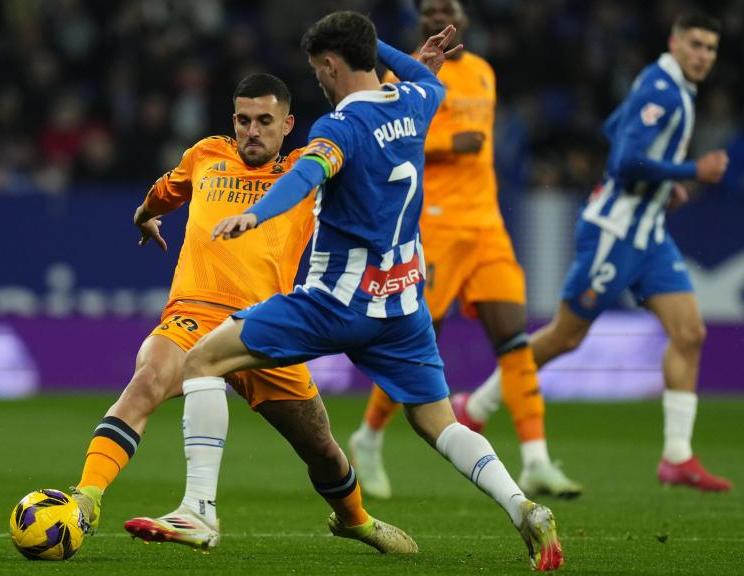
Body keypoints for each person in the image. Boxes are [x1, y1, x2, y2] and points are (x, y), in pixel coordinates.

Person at [132, 12, 563, 570]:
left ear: (331, 65)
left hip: (334, 302)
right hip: (404, 303)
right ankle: (520, 506)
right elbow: (424, 74)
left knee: (201, 362)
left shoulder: (339, 127)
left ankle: (199, 510)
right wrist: (389, 49)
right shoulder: (419, 100)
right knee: (438, 421)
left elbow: (307, 174)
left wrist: (256, 213)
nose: (319, 80)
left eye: (318, 70)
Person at [459, 12, 733, 492]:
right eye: (695, 45)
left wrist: (662, 181)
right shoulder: (663, 90)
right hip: (614, 232)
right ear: (675, 41)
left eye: (711, 48)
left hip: (649, 232)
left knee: (689, 332)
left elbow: (614, 127)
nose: (703, 56)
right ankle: (475, 407)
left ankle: (676, 457)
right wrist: (689, 171)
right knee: (565, 336)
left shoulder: (668, 84)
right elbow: (625, 160)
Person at [67, 73, 320, 551]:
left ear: (287, 124)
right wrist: (144, 215)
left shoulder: (306, 171)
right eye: (243, 120)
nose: (252, 130)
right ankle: (87, 498)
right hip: (195, 313)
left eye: (264, 121)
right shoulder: (207, 155)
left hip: (265, 327)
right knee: (147, 380)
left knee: (320, 449)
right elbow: (164, 192)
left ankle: (358, 519)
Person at [347, 0, 582, 501]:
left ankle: (536, 459)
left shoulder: (483, 73)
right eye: (428, 10)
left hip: (487, 225)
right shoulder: (399, 74)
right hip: (432, 225)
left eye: (446, 8)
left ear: (463, 17)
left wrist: (464, 144)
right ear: (419, 19)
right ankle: (367, 437)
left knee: (513, 336)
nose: (438, 16)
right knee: (416, 337)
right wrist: (455, 142)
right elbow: (386, 141)